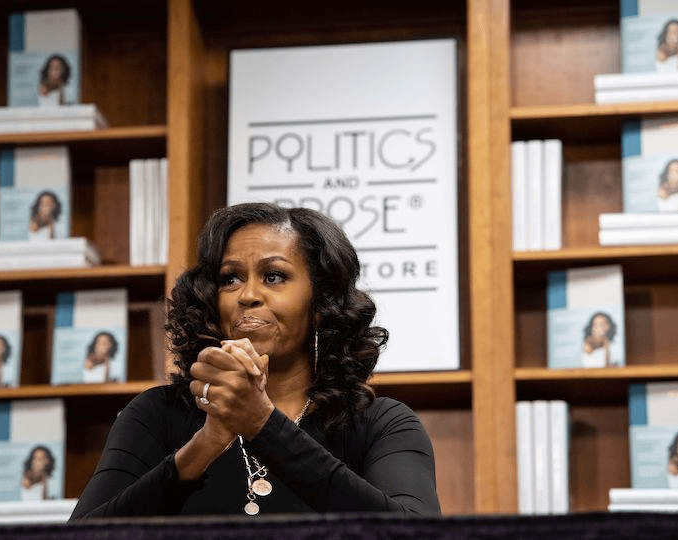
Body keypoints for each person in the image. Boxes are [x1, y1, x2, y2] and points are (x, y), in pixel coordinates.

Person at [70, 202, 440, 519]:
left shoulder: (382, 425)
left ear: (321, 303)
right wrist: (205, 445)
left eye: (274, 276)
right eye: (230, 279)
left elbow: (414, 535)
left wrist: (262, 425)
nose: (247, 295)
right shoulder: (156, 414)